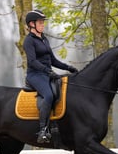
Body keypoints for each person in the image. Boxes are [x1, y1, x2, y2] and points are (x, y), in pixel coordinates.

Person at [23, 9, 79, 144]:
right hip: (35, 75)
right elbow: (32, 61)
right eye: (40, 22)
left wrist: (68, 67)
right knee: (48, 95)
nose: (43, 25)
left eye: (43, 22)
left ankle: (56, 125)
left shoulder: (44, 39)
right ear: (32, 24)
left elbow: (53, 60)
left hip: (46, 73)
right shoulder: (29, 41)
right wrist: (47, 71)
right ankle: (43, 130)